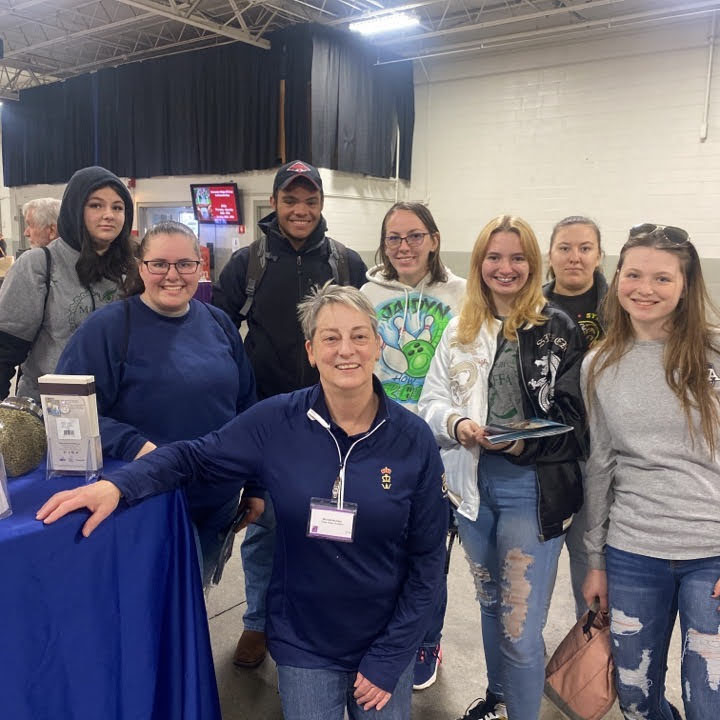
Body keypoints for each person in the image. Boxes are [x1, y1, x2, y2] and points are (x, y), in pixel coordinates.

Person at [38, 283, 448, 720]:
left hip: (385, 636)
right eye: (330, 337)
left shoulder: (412, 439)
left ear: (378, 345)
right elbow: (192, 456)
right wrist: (120, 487)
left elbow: (427, 561)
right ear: (311, 351)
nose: (345, 350)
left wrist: (390, 656)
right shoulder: (278, 422)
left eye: (359, 336)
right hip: (305, 643)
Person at [418, 215, 586, 720]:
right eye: (494, 257)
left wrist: (519, 447)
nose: (505, 267)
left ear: (533, 265)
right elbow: (431, 402)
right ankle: (499, 699)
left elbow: (574, 423)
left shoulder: (558, 328)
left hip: (531, 494)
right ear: (479, 263)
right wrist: (460, 422)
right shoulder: (458, 328)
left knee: (519, 624)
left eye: (517, 258)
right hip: (471, 490)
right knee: (489, 603)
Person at [213, 160, 367, 667]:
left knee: (331, 524)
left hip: (336, 421)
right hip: (269, 420)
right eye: (290, 200)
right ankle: (257, 622)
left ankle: (316, 620)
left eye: (310, 200)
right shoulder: (246, 265)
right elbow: (218, 332)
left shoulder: (347, 264)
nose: (300, 210)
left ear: (321, 204)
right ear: (275, 203)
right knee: (265, 524)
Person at [55, 221, 257, 585]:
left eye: (184, 264)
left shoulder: (219, 324)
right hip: (147, 498)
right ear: (141, 267)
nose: (172, 275)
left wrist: (255, 482)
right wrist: (134, 444)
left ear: (200, 268)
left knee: (197, 603)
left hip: (216, 499)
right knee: (159, 608)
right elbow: (66, 410)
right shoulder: (108, 328)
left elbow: (247, 408)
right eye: (159, 264)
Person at [581, 224, 720, 720]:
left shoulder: (714, 353)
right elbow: (600, 466)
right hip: (633, 552)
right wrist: (595, 559)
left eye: (662, 278)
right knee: (637, 699)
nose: (645, 288)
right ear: (617, 278)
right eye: (633, 274)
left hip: (712, 554)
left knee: (710, 698)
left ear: (685, 287)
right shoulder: (599, 364)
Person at [362, 201, 465, 690]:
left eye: (414, 236)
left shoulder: (463, 293)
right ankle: (383, 631)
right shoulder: (367, 292)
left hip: (441, 443)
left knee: (430, 553)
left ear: (434, 238)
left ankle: (428, 638)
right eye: (394, 237)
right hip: (381, 438)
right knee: (382, 544)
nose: (404, 246)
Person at [0, 166, 134, 402]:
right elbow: (5, 351)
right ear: (75, 209)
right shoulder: (38, 264)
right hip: (50, 411)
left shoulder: (132, 269)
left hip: (115, 411)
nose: (108, 215)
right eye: (95, 205)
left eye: (118, 207)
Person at [543, 215, 607, 619]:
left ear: (599, 255)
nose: (575, 257)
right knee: (538, 564)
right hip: (547, 453)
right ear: (550, 255)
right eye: (565, 248)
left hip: (602, 449)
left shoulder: (623, 307)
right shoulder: (531, 309)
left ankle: (588, 652)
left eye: (585, 248)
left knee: (592, 559)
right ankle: (528, 649)